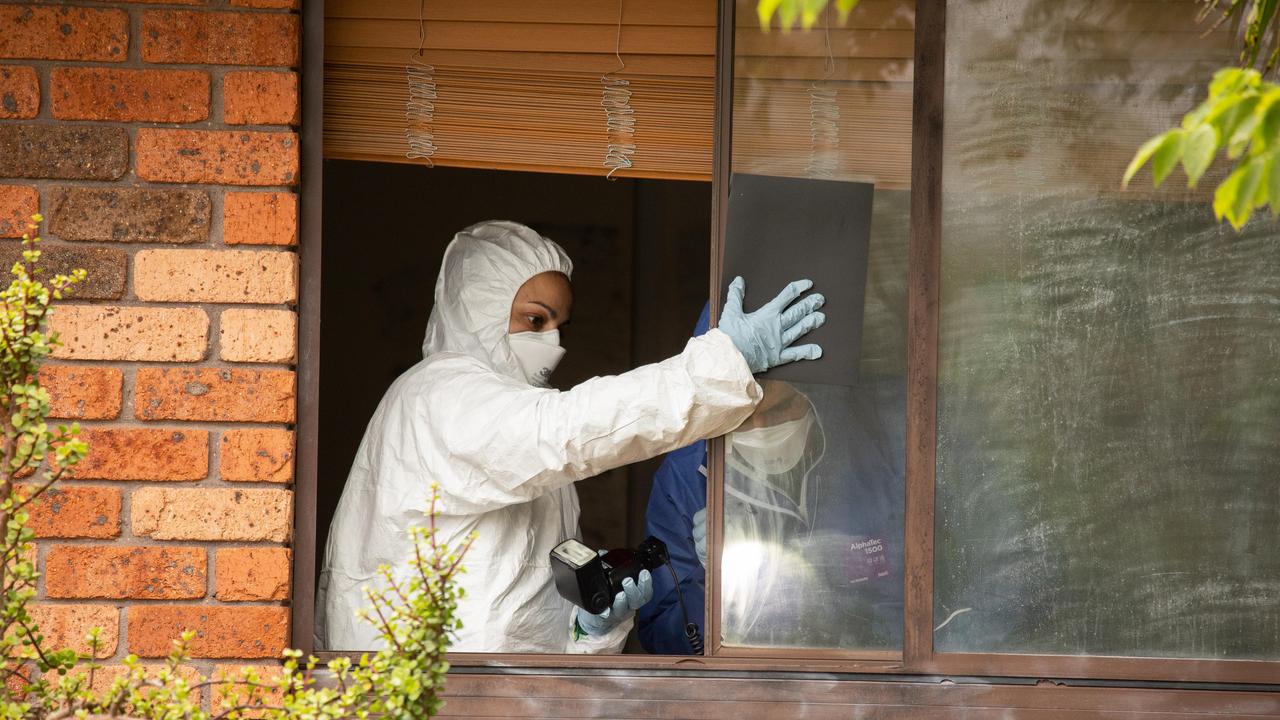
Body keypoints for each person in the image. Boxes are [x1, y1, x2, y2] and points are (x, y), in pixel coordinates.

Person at [315, 220, 827, 654]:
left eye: (560, 325)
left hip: (508, 696)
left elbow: (533, 616)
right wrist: (722, 365)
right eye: (535, 320)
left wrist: (591, 627)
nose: (553, 343)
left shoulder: (520, 432)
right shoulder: (438, 397)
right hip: (431, 694)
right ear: (479, 309)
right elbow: (569, 431)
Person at [639, 307, 906, 653]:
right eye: (741, 417)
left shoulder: (870, 453)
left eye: (780, 412)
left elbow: (913, 602)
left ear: (812, 390)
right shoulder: (687, 477)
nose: (762, 430)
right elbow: (663, 632)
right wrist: (720, 586)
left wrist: (817, 576)